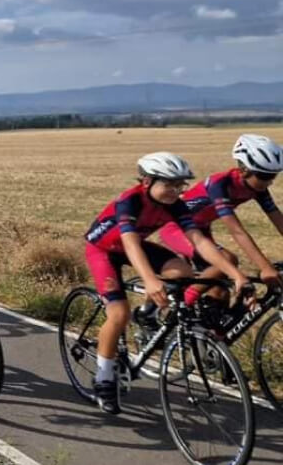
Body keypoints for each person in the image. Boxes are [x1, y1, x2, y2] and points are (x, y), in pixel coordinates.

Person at [83, 152, 250, 415]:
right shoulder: (130, 201)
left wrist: (234, 272)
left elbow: (199, 241)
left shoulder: (175, 204)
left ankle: (148, 315)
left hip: (135, 246)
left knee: (182, 272)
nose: (176, 190)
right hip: (104, 250)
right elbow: (129, 242)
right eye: (169, 184)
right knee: (118, 313)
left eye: (180, 184)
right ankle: (104, 379)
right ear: (147, 182)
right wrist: (150, 280)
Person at [158, 134, 283, 293]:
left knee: (220, 293)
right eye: (264, 176)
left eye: (273, 175)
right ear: (244, 170)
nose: (269, 181)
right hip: (176, 229)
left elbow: (278, 220)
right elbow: (237, 231)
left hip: (201, 230)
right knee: (227, 259)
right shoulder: (219, 184)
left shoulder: (258, 189)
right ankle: (184, 303)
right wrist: (265, 267)